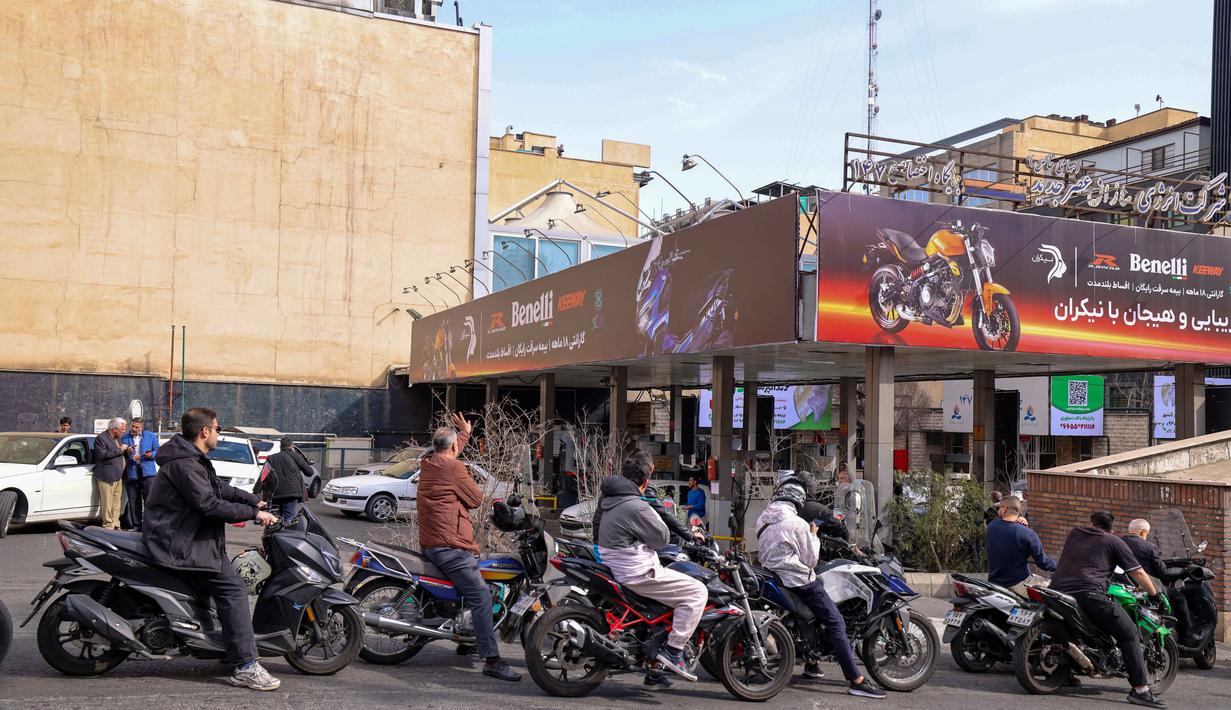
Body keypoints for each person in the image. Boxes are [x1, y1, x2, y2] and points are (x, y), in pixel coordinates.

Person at [143, 407, 280, 691]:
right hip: (181, 542)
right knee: (233, 589)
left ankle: (223, 646)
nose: (218, 434)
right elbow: (208, 504)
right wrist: (253, 515)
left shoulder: (192, 459)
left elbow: (219, 488)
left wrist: (254, 501)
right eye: (217, 429)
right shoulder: (186, 464)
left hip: (186, 536)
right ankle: (244, 665)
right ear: (204, 431)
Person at [755, 480, 885, 699]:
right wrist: (813, 534)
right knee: (836, 621)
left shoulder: (763, 519)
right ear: (797, 500)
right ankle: (856, 679)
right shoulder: (796, 523)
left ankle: (812, 664)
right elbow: (811, 559)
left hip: (774, 576)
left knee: (816, 617)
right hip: (798, 579)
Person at [417, 413, 520, 682]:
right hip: (449, 545)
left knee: (475, 589)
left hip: (434, 542)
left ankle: (468, 637)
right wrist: (498, 500)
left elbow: (450, 452)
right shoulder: (454, 469)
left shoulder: (429, 461)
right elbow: (475, 499)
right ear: (450, 448)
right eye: (456, 445)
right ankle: (492, 660)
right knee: (482, 596)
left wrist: (464, 434)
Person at [593, 451, 706, 689]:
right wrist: (687, 535)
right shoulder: (636, 503)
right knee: (697, 592)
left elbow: (597, 527)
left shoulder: (610, 498)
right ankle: (674, 650)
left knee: (658, 609)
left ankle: (653, 667)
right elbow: (662, 536)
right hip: (634, 569)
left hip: (611, 560)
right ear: (646, 479)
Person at [1050, 511, 1166, 709]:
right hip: (1090, 595)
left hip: (1057, 590)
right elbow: (1138, 572)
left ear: (1091, 523)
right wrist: (1155, 594)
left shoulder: (1075, 533)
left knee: (1074, 630)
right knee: (1129, 634)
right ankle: (1141, 691)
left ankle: (1066, 673)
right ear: (1111, 528)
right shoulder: (1113, 541)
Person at [1122, 519, 1192, 644]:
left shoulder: (1119, 543)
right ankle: (1187, 636)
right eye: (1147, 534)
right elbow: (1162, 572)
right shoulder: (1149, 547)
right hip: (1145, 587)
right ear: (1143, 532)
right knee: (1179, 598)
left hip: (1123, 586)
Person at [986, 495, 1055, 596]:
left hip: (994, 582)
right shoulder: (1027, 533)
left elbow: (1007, 532)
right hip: (1019, 583)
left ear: (1004, 509)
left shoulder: (991, 527)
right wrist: (1060, 566)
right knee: (1054, 588)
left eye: (999, 507)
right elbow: (1044, 564)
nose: (998, 510)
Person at [256, 437, 312, 519]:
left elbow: (263, 475)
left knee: (277, 515)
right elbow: (310, 472)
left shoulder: (271, 458)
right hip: (292, 491)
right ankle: (286, 530)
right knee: (289, 514)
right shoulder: (298, 456)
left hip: (275, 491)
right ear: (292, 446)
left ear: (280, 446)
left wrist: (256, 491)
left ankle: (278, 529)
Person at [120, 417, 159, 531]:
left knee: (149, 501)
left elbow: (158, 450)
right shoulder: (124, 437)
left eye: (136, 427)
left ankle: (150, 526)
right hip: (132, 472)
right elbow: (121, 454)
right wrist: (130, 456)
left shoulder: (150, 436)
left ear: (142, 427)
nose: (133, 428)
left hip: (148, 473)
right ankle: (136, 526)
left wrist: (151, 454)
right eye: (132, 426)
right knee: (133, 500)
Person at [92, 418, 131, 530]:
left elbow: (121, 454)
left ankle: (115, 523)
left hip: (118, 475)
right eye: (122, 429)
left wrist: (127, 451)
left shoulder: (119, 438)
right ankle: (108, 524)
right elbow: (102, 455)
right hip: (107, 476)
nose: (124, 431)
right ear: (114, 429)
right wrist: (120, 450)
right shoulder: (101, 439)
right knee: (107, 502)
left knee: (116, 502)